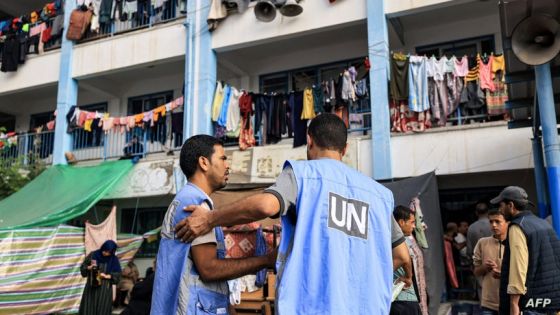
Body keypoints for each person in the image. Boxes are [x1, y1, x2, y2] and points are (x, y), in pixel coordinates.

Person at [175, 113, 410, 314]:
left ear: (309, 141)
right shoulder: (379, 195)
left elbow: (266, 206)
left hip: (309, 306)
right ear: (345, 148)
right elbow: (401, 255)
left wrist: (210, 218)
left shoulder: (303, 174)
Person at [150, 135, 276, 315]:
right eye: (223, 158)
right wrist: (266, 260)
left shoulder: (190, 199)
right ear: (203, 162)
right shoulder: (195, 203)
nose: (228, 165)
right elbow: (209, 269)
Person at [492, 186, 560, 315]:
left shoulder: (517, 227)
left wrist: (514, 305)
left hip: (532, 304)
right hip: (553, 300)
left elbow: (519, 267)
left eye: (501, 205)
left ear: (510, 205)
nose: (500, 210)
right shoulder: (542, 223)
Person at [472, 209, 508, 315]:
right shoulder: (482, 243)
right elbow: (476, 272)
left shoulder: (515, 243)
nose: (494, 225)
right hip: (488, 302)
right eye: (491, 222)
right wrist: (484, 267)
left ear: (507, 223)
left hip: (510, 301)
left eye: (497, 221)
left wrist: (504, 275)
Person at [391, 205, 421, 315]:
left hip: (401, 298)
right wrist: (409, 277)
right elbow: (405, 258)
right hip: (403, 298)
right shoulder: (401, 242)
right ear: (401, 222)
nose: (414, 226)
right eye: (412, 222)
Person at [79, 240, 122, 315]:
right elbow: (83, 267)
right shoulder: (93, 255)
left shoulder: (114, 260)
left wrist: (106, 276)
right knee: (89, 308)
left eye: (108, 252)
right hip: (91, 288)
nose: (105, 253)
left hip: (105, 289)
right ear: (102, 247)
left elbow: (117, 275)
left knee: (103, 309)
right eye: (105, 251)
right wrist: (89, 267)